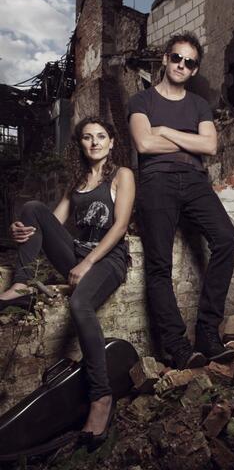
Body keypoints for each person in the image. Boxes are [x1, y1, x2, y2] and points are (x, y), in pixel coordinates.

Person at [0, 117, 135, 448]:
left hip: (108, 259)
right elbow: (50, 224)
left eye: (101, 136)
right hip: (78, 254)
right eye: (87, 137)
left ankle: (101, 398)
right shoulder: (75, 183)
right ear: (80, 144)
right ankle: (21, 286)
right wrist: (21, 233)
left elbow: (119, 228)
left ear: (112, 142)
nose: (94, 142)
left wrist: (88, 263)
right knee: (32, 209)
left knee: (79, 303)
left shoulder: (122, 176)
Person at [128, 32, 234, 370]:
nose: (181, 65)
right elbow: (144, 145)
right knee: (159, 263)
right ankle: (176, 345)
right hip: (156, 181)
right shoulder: (142, 101)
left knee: (227, 239)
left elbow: (210, 147)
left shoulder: (198, 105)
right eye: (176, 58)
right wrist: (187, 140)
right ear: (165, 59)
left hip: (193, 181)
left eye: (189, 62)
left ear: (194, 70)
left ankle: (208, 333)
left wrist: (164, 131)